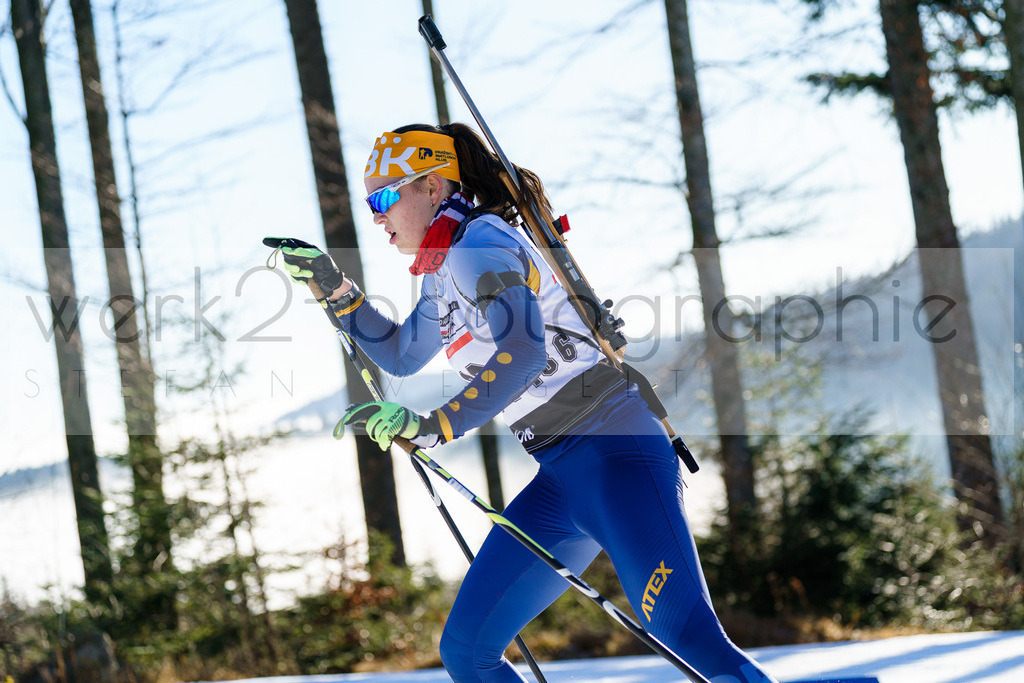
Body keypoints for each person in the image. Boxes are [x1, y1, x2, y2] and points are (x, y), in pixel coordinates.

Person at [274, 123, 777, 683]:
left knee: (688, 639)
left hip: (615, 452)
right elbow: (400, 354)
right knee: (468, 650)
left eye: (385, 197)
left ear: (434, 187)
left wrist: (435, 425)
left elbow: (524, 349)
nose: (377, 216)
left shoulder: (478, 247)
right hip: (562, 475)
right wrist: (334, 288)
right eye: (372, 202)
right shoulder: (444, 268)